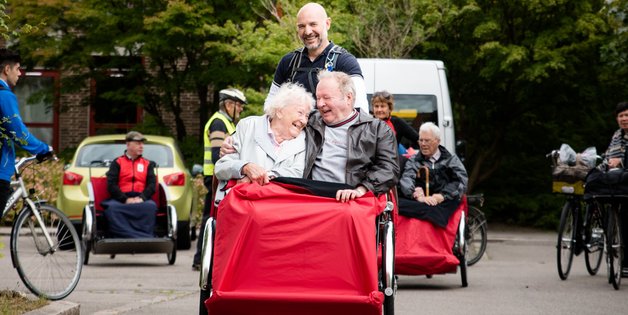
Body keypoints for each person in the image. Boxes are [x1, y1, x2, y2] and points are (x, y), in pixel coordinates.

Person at [213, 82, 314, 205]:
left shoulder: (304, 141)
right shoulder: (248, 127)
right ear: (280, 111)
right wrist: (245, 167)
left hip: (279, 210)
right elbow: (221, 167)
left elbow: (297, 174)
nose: (304, 120)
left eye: (307, 115)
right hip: (243, 207)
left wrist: (257, 178)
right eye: (300, 113)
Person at [304, 71, 399, 201]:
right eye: (318, 98)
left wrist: (362, 189)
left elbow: (389, 169)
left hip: (351, 200)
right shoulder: (309, 120)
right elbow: (277, 122)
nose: (320, 104)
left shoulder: (377, 129)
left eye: (326, 97)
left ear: (348, 98)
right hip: (312, 196)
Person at [264, 2, 369, 114]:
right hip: (295, 130)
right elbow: (270, 105)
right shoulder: (289, 62)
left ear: (327, 24)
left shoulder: (345, 62)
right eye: (301, 26)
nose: (308, 32)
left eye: (313, 24)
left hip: (331, 130)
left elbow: (360, 110)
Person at [193, 88, 247, 270]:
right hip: (215, 177)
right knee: (211, 218)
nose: (240, 110)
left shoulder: (227, 123)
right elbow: (218, 155)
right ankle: (200, 258)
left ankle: (203, 257)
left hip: (217, 175)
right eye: (238, 105)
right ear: (228, 104)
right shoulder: (219, 123)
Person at [0, 49, 52, 211]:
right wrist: (43, 149)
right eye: (17, 68)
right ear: (7, 70)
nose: (20, 73)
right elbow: (19, 133)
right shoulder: (3, 95)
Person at [398, 122, 468, 228]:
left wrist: (442, 196)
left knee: (449, 202)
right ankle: (430, 213)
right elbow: (407, 178)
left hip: (442, 201)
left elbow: (461, 181)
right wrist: (415, 193)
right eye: (421, 140)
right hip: (421, 202)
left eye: (427, 140)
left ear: (437, 141)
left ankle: (431, 213)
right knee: (396, 204)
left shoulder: (450, 159)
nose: (423, 144)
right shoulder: (414, 160)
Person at [103, 131, 158, 238]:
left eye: (142, 143)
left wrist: (142, 198)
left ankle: (145, 236)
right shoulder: (118, 162)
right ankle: (122, 236)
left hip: (140, 197)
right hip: (122, 198)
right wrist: (125, 199)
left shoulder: (147, 164)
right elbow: (111, 185)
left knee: (150, 207)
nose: (141, 146)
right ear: (128, 144)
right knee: (112, 208)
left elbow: (152, 184)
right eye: (138, 143)